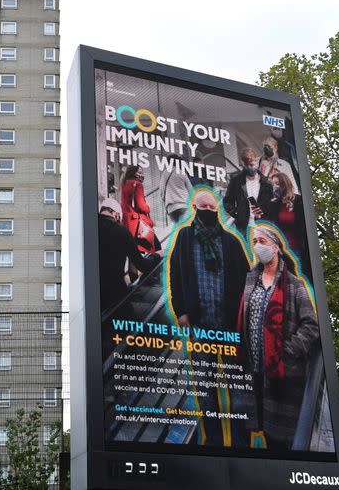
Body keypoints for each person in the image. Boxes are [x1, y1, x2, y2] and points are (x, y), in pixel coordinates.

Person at [167, 190, 249, 446]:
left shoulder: (232, 242)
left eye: (213, 208)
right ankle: (212, 441)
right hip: (200, 328)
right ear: (194, 207)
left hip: (230, 328)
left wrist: (243, 319)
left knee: (238, 392)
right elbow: (175, 274)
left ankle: (241, 443)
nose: (209, 211)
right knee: (205, 390)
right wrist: (180, 310)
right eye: (204, 206)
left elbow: (247, 281)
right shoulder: (184, 237)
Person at [236, 225, 319, 451]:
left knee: (278, 442)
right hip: (253, 371)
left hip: (281, 373)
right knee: (257, 428)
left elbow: (311, 325)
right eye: (254, 242)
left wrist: (287, 351)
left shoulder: (293, 284)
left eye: (262, 241)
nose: (257, 246)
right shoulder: (250, 280)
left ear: (275, 247)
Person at [97, 198, 160, 312]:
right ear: (115, 214)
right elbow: (142, 265)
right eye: (119, 218)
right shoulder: (121, 230)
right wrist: (156, 255)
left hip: (93, 299)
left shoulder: (88, 227)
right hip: (115, 297)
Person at [264, 172, 309, 277]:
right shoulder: (273, 204)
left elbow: (304, 226)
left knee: (296, 282)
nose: (275, 187)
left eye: (277, 183)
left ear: (285, 184)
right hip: (278, 251)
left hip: (295, 250)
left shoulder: (299, 201)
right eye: (273, 184)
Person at [223, 147, 273, 234]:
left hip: (262, 227)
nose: (252, 167)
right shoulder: (236, 181)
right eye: (248, 165)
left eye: (253, 164)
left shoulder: (266, 184)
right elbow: (227, 202)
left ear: (257, 161)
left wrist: (264, 214)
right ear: (244, 165)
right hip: (243, 227)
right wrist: (237, 214)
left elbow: (271, 207)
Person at [120, 165, 157, 254]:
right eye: (139, 172)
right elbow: (141, 206)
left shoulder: (125, 183)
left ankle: (134, 268)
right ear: (133, 172)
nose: (141, 175)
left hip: (127, 221)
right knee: (156, 247)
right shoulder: (138, 184)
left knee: (132, 251)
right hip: (136, 223)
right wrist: (147, 208)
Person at [159, 155, 193, 223]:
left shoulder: (164, 174)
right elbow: (191, 191)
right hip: (184, 205)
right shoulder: (181, 173)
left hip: (171, 208)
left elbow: (162, 193)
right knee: (184, 228)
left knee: (177, 230)